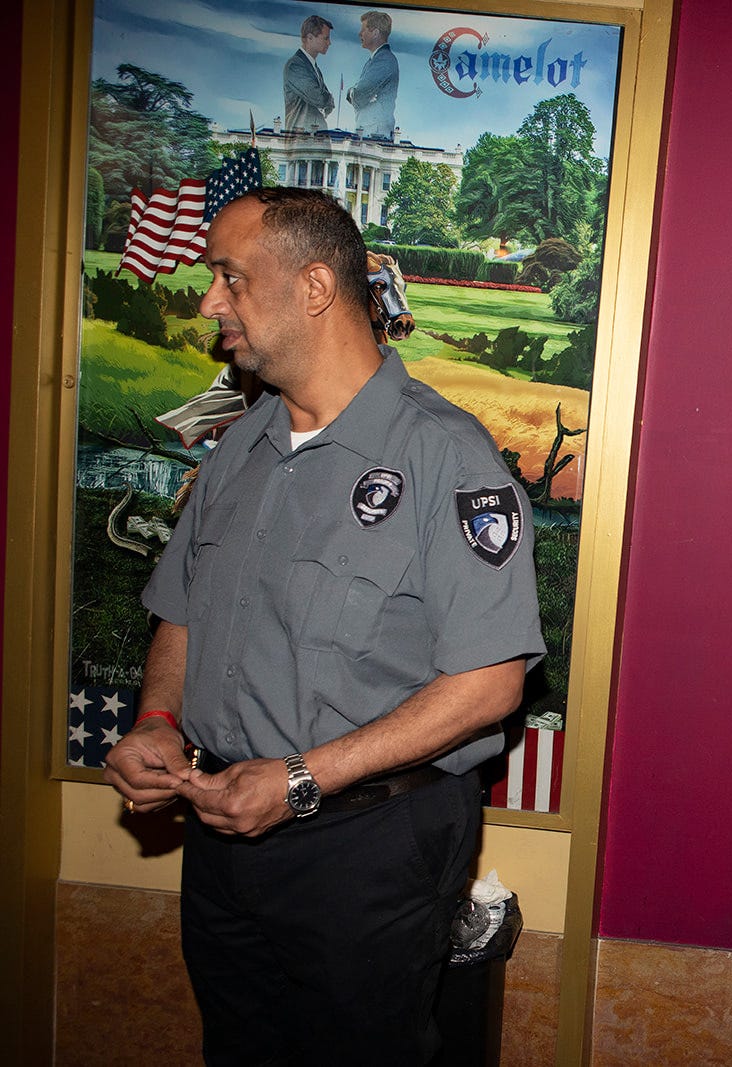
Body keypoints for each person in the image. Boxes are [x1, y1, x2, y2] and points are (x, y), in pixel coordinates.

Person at [103, 187, 544, 1064]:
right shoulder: (241, 444)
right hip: (224, 828)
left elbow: (490, 684)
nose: (210, 301)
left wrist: (301, 781)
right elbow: (183, 611)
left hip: (367, 845)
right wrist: (157, 720)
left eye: (230, 277)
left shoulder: (443, 454)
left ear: (313, 286)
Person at [347, 11, 400, 140]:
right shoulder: (377, 58)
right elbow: (362, 95)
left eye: (363, 30)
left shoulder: (383, 60)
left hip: (374, 134)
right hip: (371, 131)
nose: (360, 34)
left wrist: (352, 92)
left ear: (375, 33)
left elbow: (359, 95)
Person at [283, 14, 335, 133]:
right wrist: (328, 98)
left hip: (315, 136)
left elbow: (329, 105)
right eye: (326, 38)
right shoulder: (295, 65)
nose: (329, 43)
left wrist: (327, 99)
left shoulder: (314, 68)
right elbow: (319, 98)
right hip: (301, 138)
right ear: (310, 38)